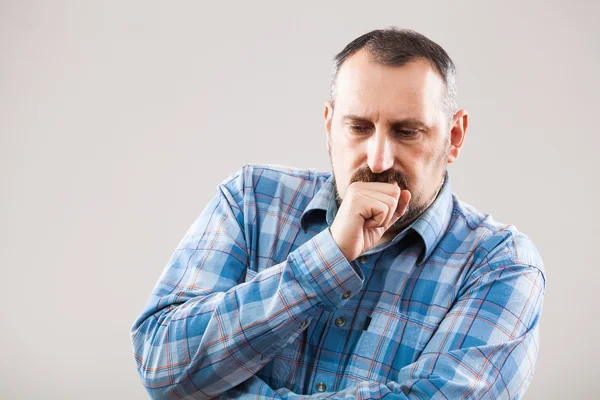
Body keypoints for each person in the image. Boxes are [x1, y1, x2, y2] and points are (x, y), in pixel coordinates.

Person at [131, 28, 545, 399]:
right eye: (359, 128)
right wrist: (327, 256)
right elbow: (161, 364)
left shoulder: (501, 265)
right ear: (329, 125)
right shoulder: (252, 200)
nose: (379, 159)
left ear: (453, 137)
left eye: (407, 132)